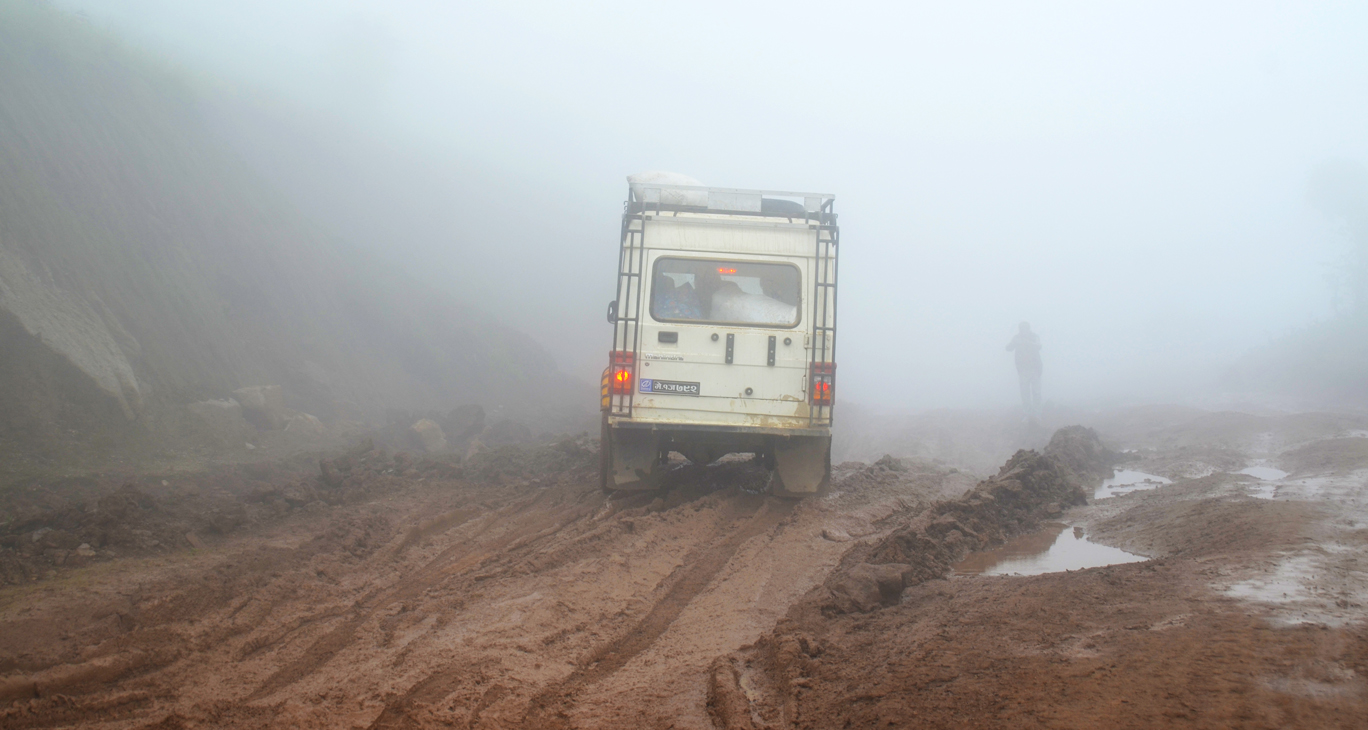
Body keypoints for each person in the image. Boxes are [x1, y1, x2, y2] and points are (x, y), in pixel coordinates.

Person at [1006, 322, 1042, 421]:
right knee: (1024, 393)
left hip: (1035, 368)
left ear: (1028, 328)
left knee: (1036, 392)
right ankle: (1027, 414)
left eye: (1025, 328)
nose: (1023, 330)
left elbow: (1039, 346)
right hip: (1022, 369)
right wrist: (1014, 343)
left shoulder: (1034, 336)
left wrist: (1027, 343)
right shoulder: (1017, 338)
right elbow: (1008, 348)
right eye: (1021, 329)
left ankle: (1037, 414)